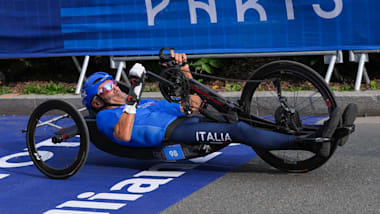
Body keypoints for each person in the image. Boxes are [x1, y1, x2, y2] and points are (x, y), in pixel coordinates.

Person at [81, 51, 356, 157]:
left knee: (234, 113)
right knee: (238, 131)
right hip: (176, 133)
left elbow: (195, 101)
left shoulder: (140, 103)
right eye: (106, 86)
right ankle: (313, 143)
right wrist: (132, 99)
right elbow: (123, 135)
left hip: (189, 119)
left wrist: (184, 70)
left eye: (114, 82)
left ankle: (323, 129)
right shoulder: (108, 117)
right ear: (96, 100)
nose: (115, 87)